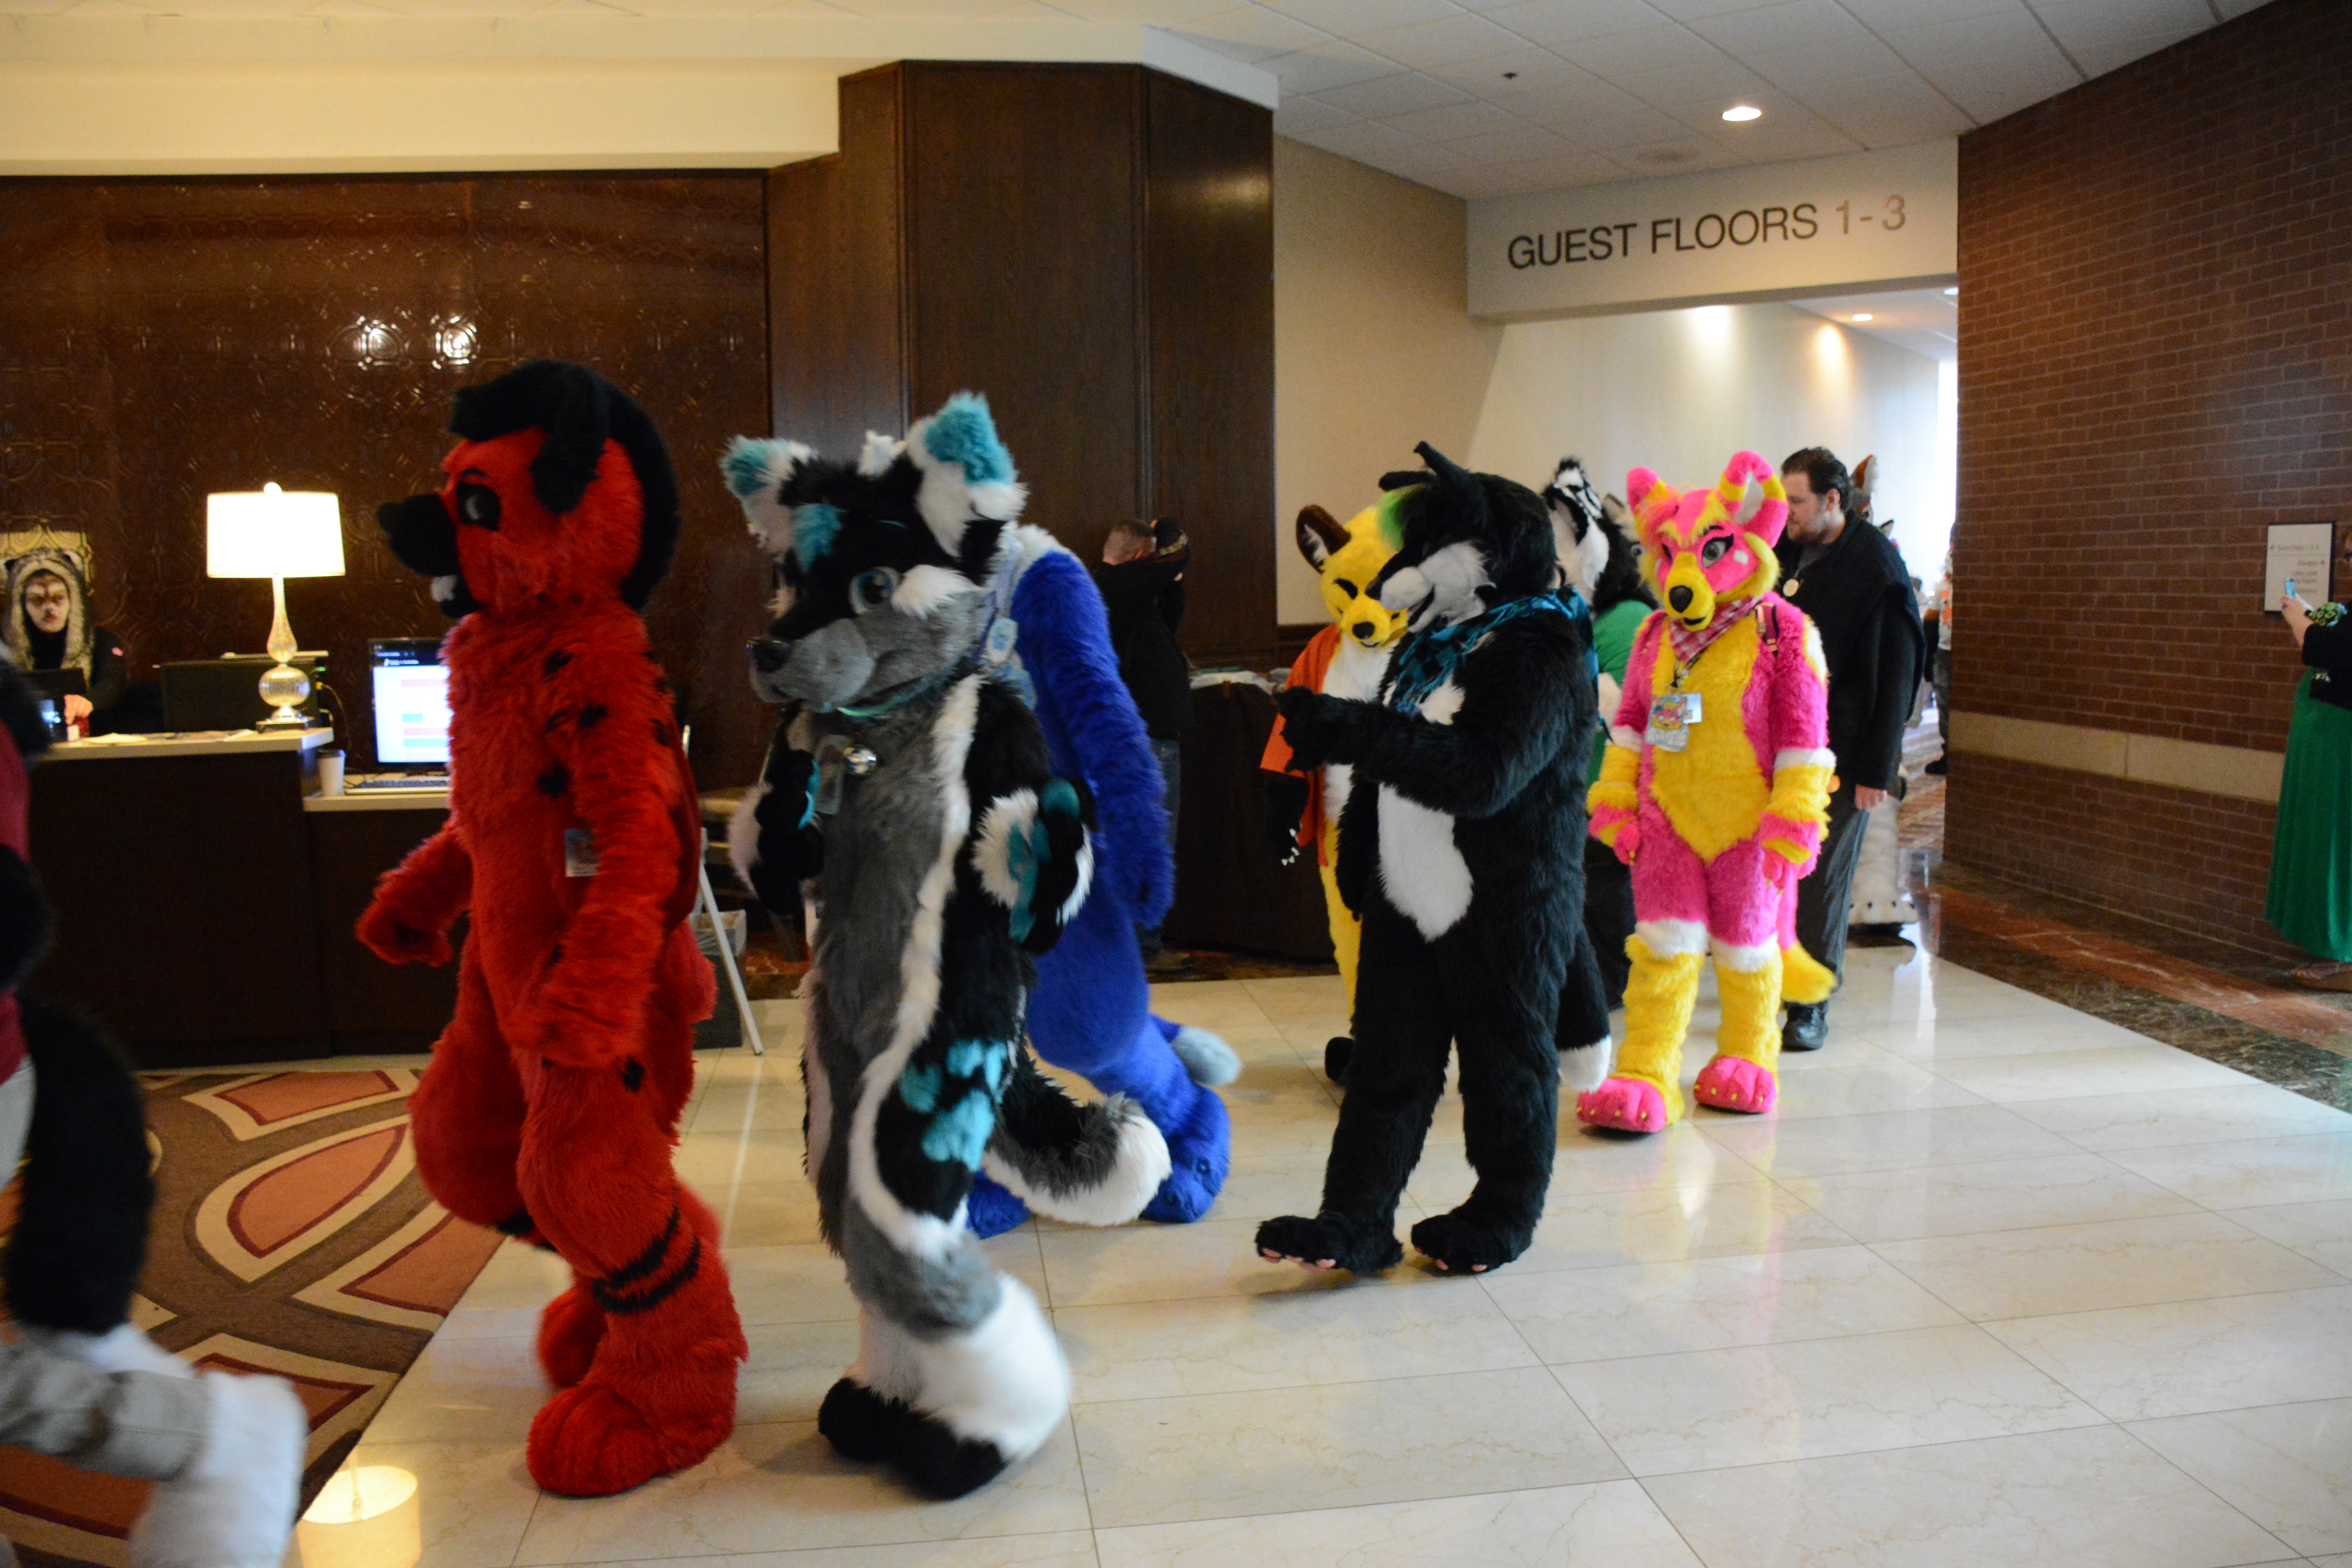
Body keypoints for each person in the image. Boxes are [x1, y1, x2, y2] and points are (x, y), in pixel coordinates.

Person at [1773, 447, 1924, 1050]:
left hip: (1841, 752)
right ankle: (1771, 981)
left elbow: (1897, 674)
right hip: (1777, 746)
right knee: (1775, 873)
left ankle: (1809, 1004)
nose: (1786, 511)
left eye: (1797, 501)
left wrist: (1877, 769)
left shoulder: (1875, 565)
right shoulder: (1784, 552)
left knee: (1821, 879)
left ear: (1833, 500)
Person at [1092, 517, 1195, 969]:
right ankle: (1141, 949)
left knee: (1148, 842)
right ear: (1139, 557)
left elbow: (1170, 615)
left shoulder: (1126, 597)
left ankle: (1139, 943)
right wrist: (1166, 530)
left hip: (1149, 737)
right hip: (1144, 740)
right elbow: (1180, 554)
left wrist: (1172, 580)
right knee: (1149, 844)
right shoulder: (1111, 585)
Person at [2270, 554, 2352, 986]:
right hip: (2327, 742)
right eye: (2350, 554)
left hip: (2344, 745)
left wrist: (2301, 620)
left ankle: (2345, 955)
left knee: (2340, 840)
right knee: (2323, 836)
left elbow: (2325, 650)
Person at [4, 548, 127, 733]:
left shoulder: (100, 640)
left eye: (58, 598)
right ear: (21, 606)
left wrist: (88, 701)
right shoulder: (5, 647)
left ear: (73, 600)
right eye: (37, 600)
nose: (49, 608)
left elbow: (113, 683)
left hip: (93, 738)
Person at [1925, 561, 1953, 774]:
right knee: (1944, 704)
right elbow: (1932, 620)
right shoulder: (1943, 585)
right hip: (1945, 651)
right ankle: (1949, 753)